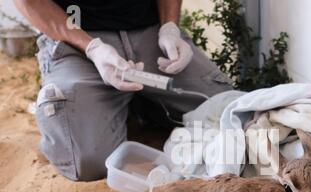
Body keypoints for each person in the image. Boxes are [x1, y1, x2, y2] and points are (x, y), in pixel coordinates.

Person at [14, 0, 233, 181]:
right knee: (89, 162)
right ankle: (118, 102)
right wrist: (94, 49)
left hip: (150, 33)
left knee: (229, 111)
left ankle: (142, 104)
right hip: (75, 37)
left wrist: (170, 27)